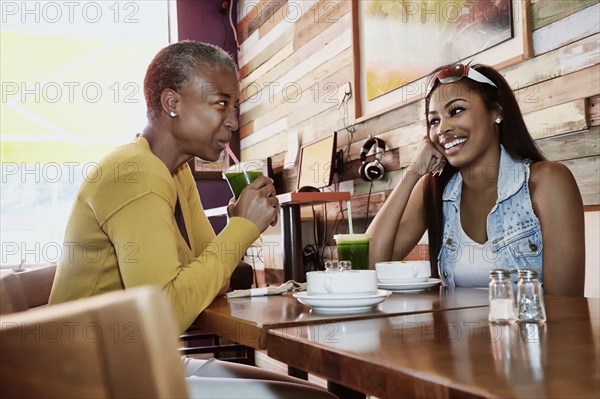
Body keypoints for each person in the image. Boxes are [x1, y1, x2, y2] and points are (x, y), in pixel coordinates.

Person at [49, 40, 337, 399]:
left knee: (313, 395)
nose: (233, 121)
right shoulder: (136, 172)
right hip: (88, 379)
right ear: (172, 103)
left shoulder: (176, 172)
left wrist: (237, 228)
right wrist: (241, 229)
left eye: (235, 107)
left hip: (134, 362)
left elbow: (212, 281)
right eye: (221, 104)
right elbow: (166, 314)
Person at [368, 63, 585, 296]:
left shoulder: (547, 181)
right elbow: (369, 266)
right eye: (434, 121)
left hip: (528, 333)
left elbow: (566, 309)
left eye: (456, 110)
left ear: (497, 111)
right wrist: (413, 173)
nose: (443, 129)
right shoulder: (434, 190)